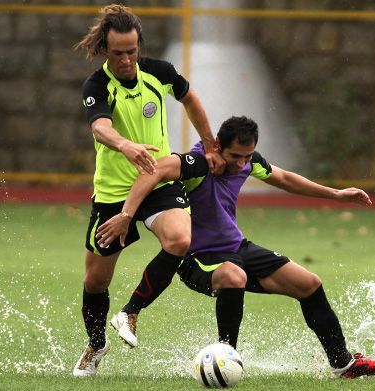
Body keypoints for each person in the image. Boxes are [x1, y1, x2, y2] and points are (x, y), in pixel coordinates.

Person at [97, 116, 375, 378]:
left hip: (237, 248)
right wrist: (126, 216)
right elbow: (154, 170)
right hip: (197, 259)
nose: (241, 163)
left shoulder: (248, 161)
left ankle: (343, 364)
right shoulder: (198, 164)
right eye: (235, 156)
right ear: (216, 147)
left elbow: (285, 178)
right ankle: (227, 357)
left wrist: (337, 194)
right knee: (233, 277)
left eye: (247, 156)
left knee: (309, 283)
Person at [72, 4, 224, 377]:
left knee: (178, 239)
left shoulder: (160, 72)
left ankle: (130, 311)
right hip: (113, 193)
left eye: (132, 51)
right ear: (105, 50)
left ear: (140, 45)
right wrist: (126, 145)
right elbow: (100, 128)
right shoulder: (97, 86)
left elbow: (190, 98)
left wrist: (209, 145)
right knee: (95, 280)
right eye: (118, 53)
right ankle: (96, 343)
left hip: (157, 181)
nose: (126, 60)